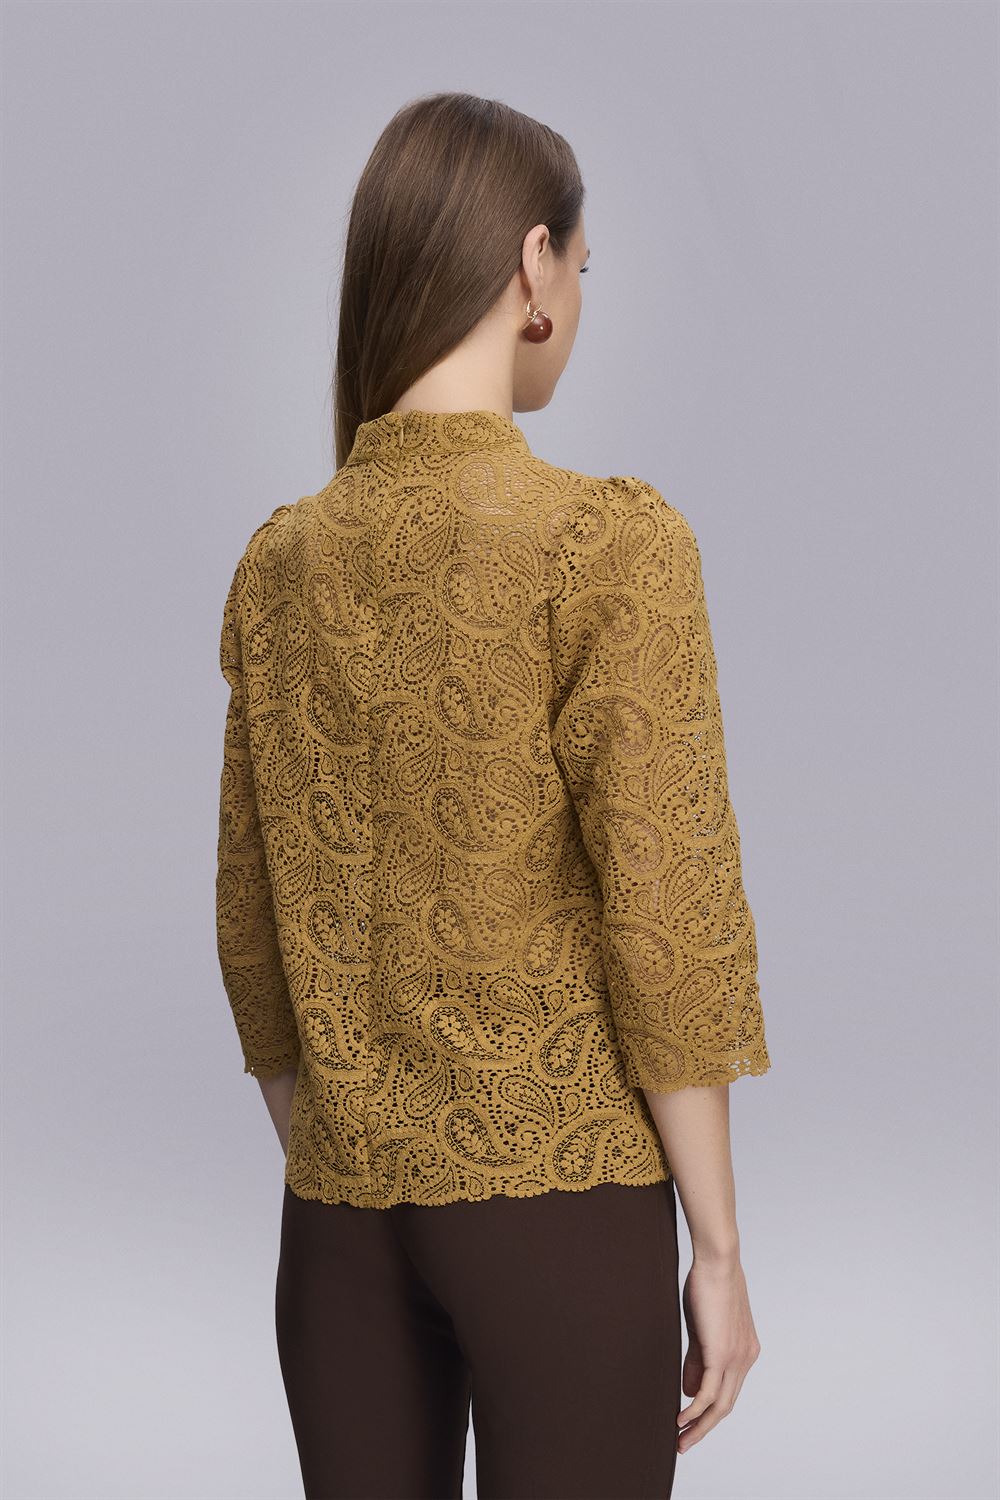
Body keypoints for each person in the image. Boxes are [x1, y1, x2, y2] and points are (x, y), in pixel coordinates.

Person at [214, 90, 772, 1500]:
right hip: (559, 1204)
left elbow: (252, 935)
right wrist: (717, 1250)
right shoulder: (605, 544)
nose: (577, 297)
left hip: (337, 1218)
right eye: (582, 265)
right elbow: (669, 921)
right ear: (534, 264)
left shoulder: (281, 564)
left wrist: (350, 1139)